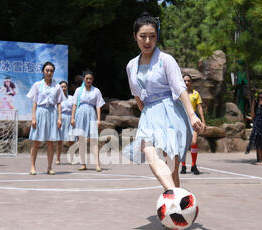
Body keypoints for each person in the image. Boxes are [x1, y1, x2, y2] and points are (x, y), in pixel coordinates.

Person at [123, 13, 203, 191]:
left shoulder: (166, 60)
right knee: (149, 151)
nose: (147, 40)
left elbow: (180, 88)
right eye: (143, 36)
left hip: (170, 113)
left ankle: (176, 206)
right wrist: (146, 114)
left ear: (157, 36)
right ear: (135, 36)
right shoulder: (131, 66)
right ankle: (172, 194)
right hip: (149, 113)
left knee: (172, 168)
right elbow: (136, 94)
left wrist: (192, 115)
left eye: (152, 36)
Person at [27, 61, 64, 175]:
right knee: (36, 141)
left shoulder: (57, 86)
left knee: (50, 142)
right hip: (41, 112)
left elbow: (59, 103)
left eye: (51, 71)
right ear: (43, 71)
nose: (49, 73)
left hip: (52, 113)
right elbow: (34, 102)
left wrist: (59, 118)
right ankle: (32, 167)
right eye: (47, 70)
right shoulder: (37, 85)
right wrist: (33, 118)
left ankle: (49, 167)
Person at [70, 70, 104, 172]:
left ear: (92, 79)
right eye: (86, 78)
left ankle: (97, 164)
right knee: (81, 140)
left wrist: (98, 119)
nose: (88, 80)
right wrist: (72, 118)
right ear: (84, 79)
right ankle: (83, 163)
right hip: (80, 113)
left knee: (94, 139)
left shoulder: (96, 91)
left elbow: (98, 106)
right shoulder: (78, 90)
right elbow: (74, 104)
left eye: (90, 78)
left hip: (91, 113)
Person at [180, 73, 206, 174]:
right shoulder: (179, 94)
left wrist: (203, 121)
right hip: (182, 119)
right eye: (184, 81)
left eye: (188, 81)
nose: (186, 83)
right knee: (183, 143)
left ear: (191, 82)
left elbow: (199, 107)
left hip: (194, 119)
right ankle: (183, 166)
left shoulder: (196, 94)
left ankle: (193, 165)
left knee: (194, 142)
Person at [245, 92, 262, 165]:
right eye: (259, 97)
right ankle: (260, 160)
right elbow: (253, 115)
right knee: (258, 143)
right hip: (257, 126)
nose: (260, 99)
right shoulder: (256, 106)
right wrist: (253, 105)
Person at [56, 80, 75, 164]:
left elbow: (75, 108)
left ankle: (71, 158)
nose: (63, 88)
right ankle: (58, 159)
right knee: (59, 140)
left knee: (71, 140)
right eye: (61, 87)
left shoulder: (71, 97)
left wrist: (73, 118)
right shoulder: (57, 98)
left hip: (70, 118)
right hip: (61, 117)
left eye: (65, 87)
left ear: (67, 87)